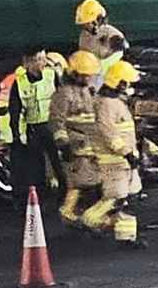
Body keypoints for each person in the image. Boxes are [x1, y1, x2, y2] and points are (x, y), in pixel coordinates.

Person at [80, 60, 146, 249]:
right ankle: (89, 220)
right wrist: (125, 152)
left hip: (125, 160)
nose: (130, 86)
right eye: (127, 82)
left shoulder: (116, 102)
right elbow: (109, 133)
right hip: (114, 160)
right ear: (120, 83)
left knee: (130, 197)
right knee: (116, 197)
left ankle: (127, 236)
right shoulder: (106, 104)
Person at [49, 51, 101, 227]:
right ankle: (67, 212)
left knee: (91, 180)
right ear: (74, 73)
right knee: (78, 182)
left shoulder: (88, 91)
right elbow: (57, 121)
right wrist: (63, 145)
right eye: (85, 75)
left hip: (90, 144)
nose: (88, 78)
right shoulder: (63, 94)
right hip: (75, 146)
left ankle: (83, 213)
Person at [8, 45, 59, 208]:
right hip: (34, 129)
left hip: (52, 127)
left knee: (59, 163)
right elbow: (15, 112)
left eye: (44, 59)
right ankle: (41, 200)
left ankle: (63, 196)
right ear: (27, 63)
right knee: (35, 167)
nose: (42, 63)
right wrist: (18, 134)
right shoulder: (19, 84)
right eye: (38, 60)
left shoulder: (52, 76)